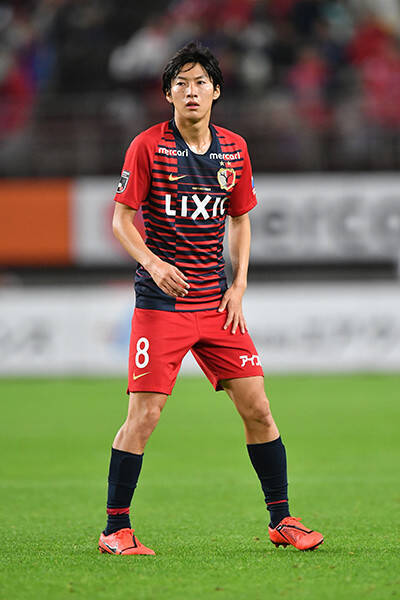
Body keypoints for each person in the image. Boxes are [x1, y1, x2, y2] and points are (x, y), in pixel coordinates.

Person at [98, 41, 323, 556]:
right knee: (145, 416)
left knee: (259, 408)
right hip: (162, 306)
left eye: (201, 82)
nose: (191, 91)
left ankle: (282, 520)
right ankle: (115, 528)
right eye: (181, 83)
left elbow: (240, 220)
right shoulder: (147, 147)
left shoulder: (235, 149)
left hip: (218, 306)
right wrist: (154, 265)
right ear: (168, 94)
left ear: (216, 91)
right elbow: (121, 221)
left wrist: (239, 285)